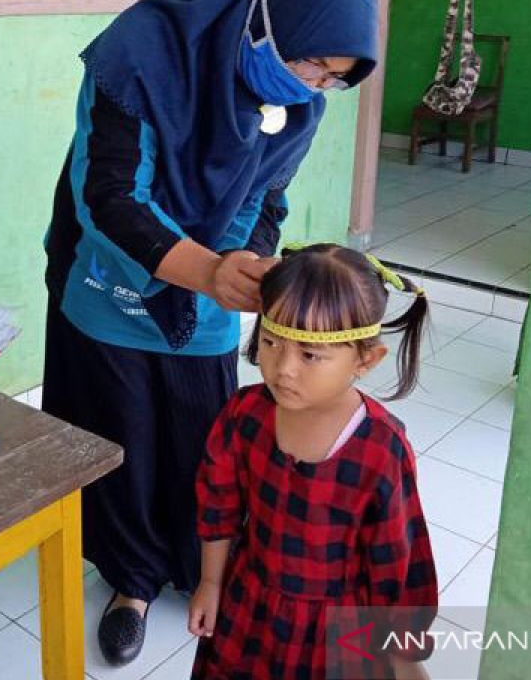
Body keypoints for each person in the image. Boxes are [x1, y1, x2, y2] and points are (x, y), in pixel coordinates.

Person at [43, 0, 378, 665]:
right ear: (269, 17)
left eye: (333, 79)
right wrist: (207, 269)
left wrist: (243, 262)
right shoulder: (144, 51)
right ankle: (131, 580)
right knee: (124, 434)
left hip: (212, 277)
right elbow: (110, 196)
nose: (314, 85)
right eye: (309, 64)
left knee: (205, 439)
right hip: (112, 272)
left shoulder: (299, 104)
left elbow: (266, 197)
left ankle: (202, 568)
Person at [187, 245, 438, 679]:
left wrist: (402, 655)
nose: (283, 368)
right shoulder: (245, 414)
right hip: (249, 605)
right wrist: (211, 583)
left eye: (310, 355)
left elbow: (397, 562)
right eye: (270, 341)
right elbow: (218, 505)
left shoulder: (380, 450)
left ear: (365, 359)